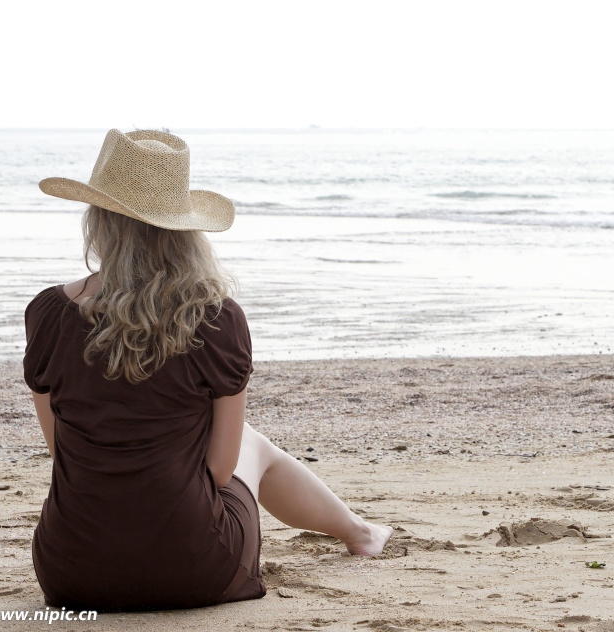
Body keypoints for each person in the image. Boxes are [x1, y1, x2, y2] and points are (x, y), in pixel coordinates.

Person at [24, 129, 393, 612]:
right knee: (251, 445)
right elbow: (219, 470)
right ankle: (359, 532)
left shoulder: (49, 313)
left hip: (71, 572)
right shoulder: (216, 317)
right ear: (182, 230)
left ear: (97, 219)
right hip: (194, 568)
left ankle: (359, 530)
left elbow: (63, 452)